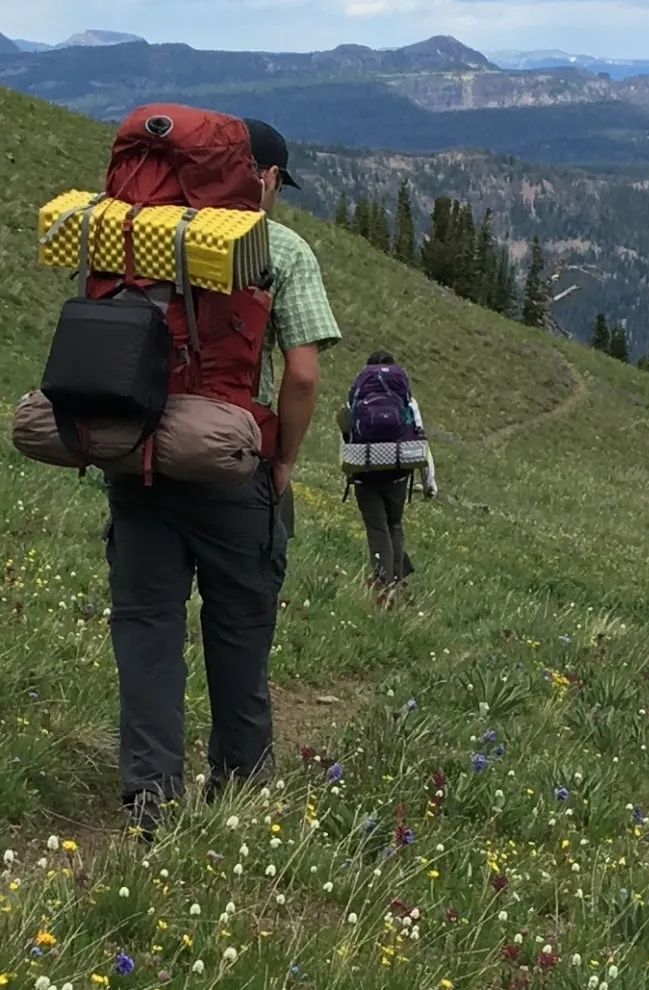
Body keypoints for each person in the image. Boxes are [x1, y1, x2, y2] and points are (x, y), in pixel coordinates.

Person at [106, 118, 342, 840]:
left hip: (138, 456)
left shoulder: (133, 233)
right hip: (233, 462)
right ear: (263, 178)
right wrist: (286, 461)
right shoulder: (280, 248)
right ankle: (237, 784)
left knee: (147, 624)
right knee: (239, 623)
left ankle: (150, 796)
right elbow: (301, 373)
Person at [338, 350, 438, 601]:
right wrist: (429, 483)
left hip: (365, 470)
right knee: (394, 524)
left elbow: (346, 433)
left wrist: (348, 467)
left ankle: (384, 583)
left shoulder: (358, 397)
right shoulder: (407, 401)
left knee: (376, 527)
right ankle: (397, 581)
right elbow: (421, 440)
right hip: (398, 470)